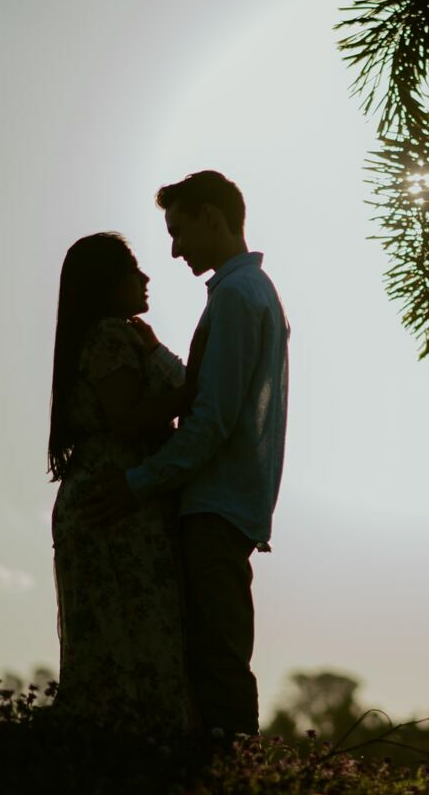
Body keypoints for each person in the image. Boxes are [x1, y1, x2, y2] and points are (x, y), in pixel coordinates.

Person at [83, 172, 289, 741]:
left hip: (216, 504)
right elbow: (207, 389)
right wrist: (159, 352)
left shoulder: (237, 299)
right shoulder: (246, 293)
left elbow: (210, 421)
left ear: (211, 218)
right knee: (212, 656)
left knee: (216, 660)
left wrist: (136, 483)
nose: (174, 249)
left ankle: (237, 792)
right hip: (228, 501)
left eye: (179, 231)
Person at [48, 233, 193, 733]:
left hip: (108, 499)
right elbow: (128, 419)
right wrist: (195, 394)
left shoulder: (123, 335)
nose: (146, 277)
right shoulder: (109, 336)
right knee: (133, 639)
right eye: (135, 269)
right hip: (116, 508)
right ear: (108, 283)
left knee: (113, 642)